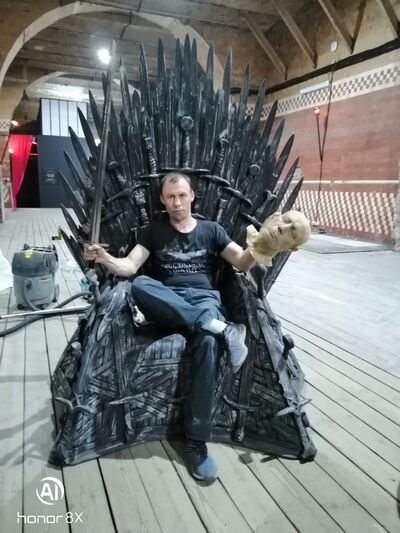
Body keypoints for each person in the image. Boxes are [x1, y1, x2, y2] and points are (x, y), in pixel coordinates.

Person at [84, 172, 311, 482]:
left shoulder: (211, 230)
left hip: (204, 300)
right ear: (162, 200)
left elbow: (241, 262)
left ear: (192, 196)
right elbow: (130, 266)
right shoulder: (153, 231)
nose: (177, 202)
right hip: (167, 302)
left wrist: (265, 246)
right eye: (170, 197)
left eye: (182, 195)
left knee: (207, 342)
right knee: (140, 284)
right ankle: (220, 328)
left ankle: (197, 441)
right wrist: (105, 258)